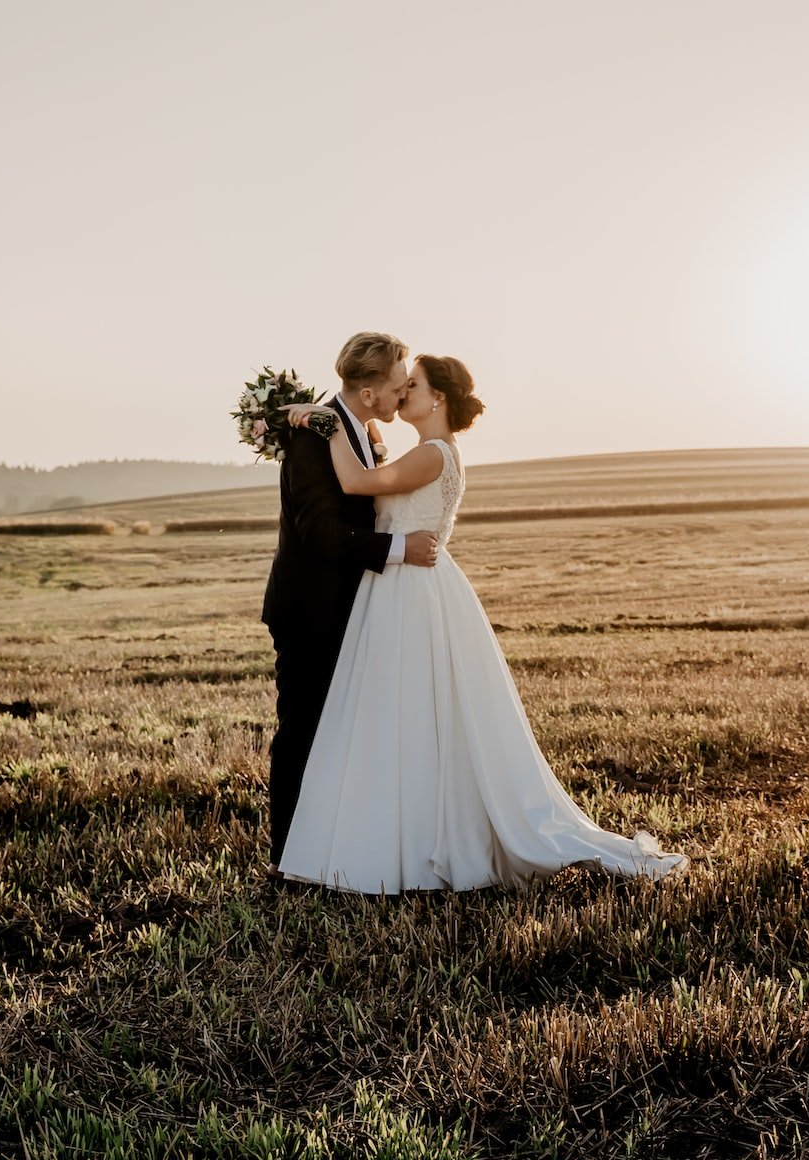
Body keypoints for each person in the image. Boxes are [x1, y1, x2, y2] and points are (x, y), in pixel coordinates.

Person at [277, 353, 687, 892]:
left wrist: (327, 424)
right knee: (409, 716)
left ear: (438, 398)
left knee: (413, 712)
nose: (403, 393)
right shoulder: (426, 452)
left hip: (413, 592)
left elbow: (356, 486)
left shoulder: (432, 455)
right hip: (401, 587)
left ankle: (413, 842)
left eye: (413, 386)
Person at [259, 332, 440, 870]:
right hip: (311, 611)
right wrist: (399, 548)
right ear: (368, 395)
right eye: (396, 384)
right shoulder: (316, 435)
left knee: (342, 731)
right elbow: (319, 531)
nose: (403, 391)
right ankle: (288, 857)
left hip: (351, 608)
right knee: (303, 731)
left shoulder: (358, 429)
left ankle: (332, 846)